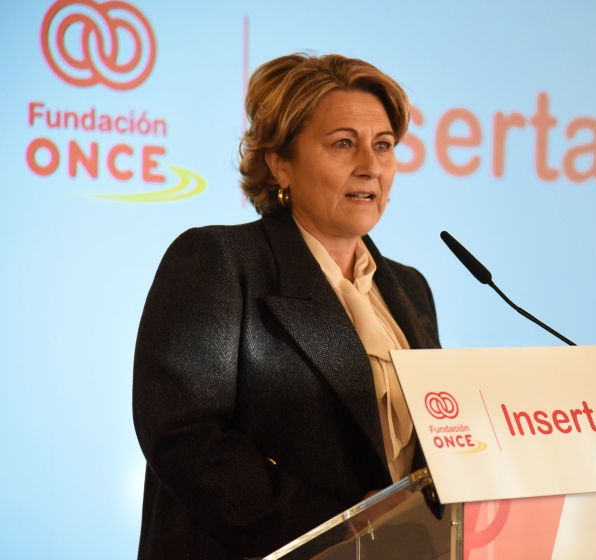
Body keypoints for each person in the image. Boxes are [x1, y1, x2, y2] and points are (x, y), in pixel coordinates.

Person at [132, 53, 440, 560]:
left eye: (383, 145)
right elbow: (184, 435)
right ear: (280, 162)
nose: (371, 166)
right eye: (344, 143)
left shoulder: (410, 288)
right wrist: (339, 527)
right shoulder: (220, 261)